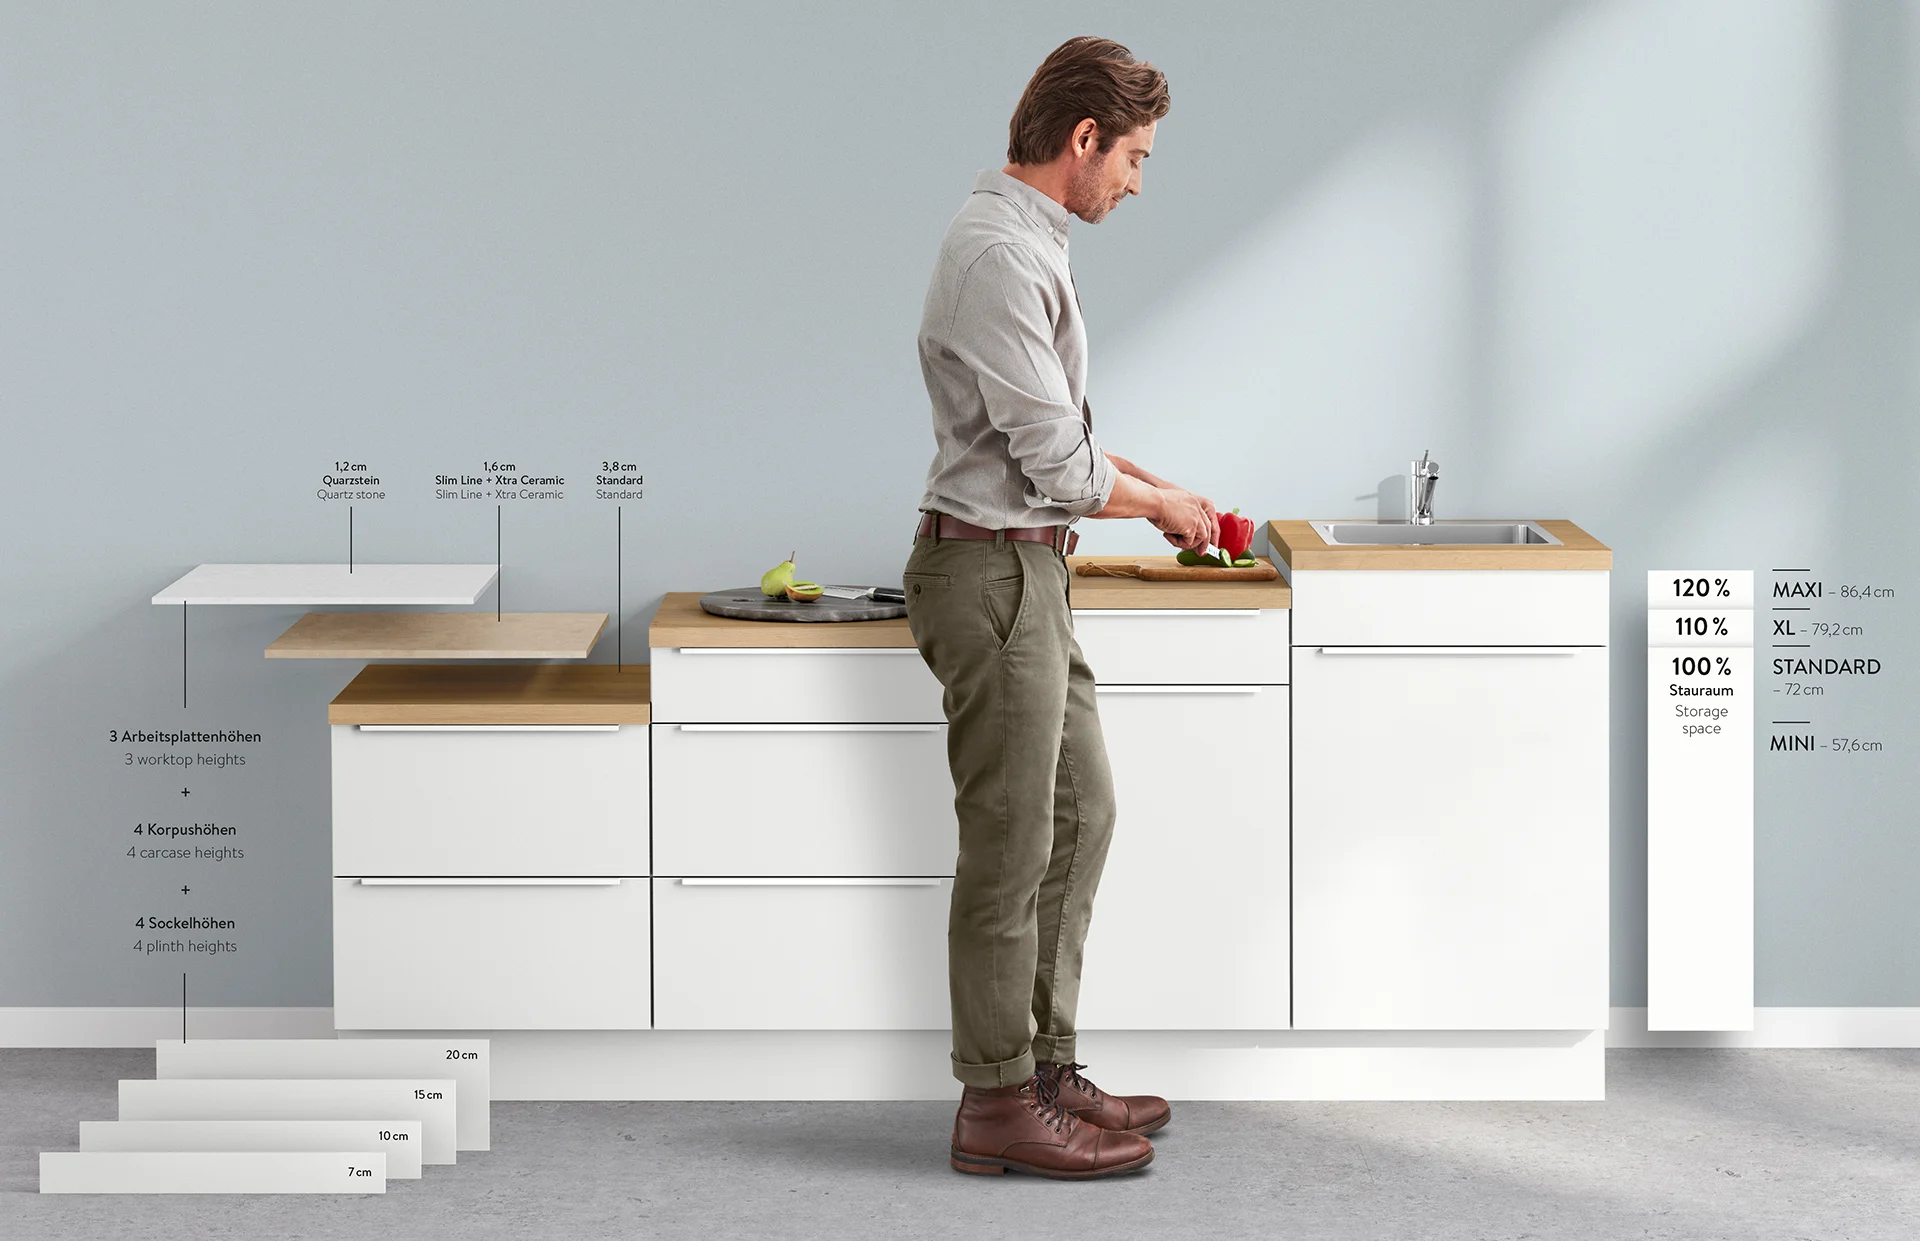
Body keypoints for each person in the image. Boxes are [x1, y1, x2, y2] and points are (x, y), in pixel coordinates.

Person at [904, 35, 1219, 1180]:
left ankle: (1043, 1066)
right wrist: (1151, 506)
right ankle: (995, 1105)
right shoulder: (996, 253)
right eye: (1133, 155)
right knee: (1009, 845)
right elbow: (1060, 463)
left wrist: (1164, 491)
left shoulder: (1028, 242)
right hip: (990, 573)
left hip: (1029, 568)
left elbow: (1068, 443)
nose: (1138, 179)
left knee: (1081, 816)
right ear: (1082, 139)